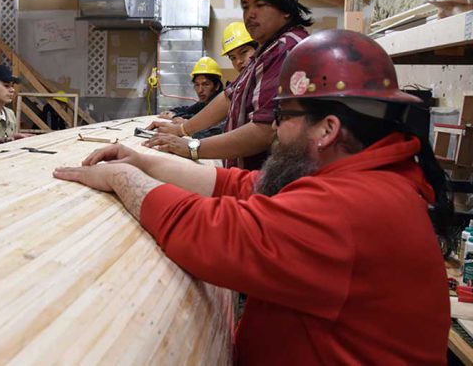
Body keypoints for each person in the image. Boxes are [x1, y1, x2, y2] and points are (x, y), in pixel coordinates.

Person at [54, 30, 451, 364]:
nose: (274, 131)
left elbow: (210, 233)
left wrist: (123, 179)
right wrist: (143, 161)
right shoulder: (363, 177)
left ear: (327, 129)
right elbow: (242, 186)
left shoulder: (350, 209)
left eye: (283, 118)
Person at [146, 0, 312, 169]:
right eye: (245, 6)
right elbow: (228, 97)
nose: (250, 14)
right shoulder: (266, 50)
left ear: (286, 9)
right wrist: (182, 130)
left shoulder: (286, 50)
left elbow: (264, 131)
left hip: (266, 182)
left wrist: (191, 147)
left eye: (260, 5)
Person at [159, 56, 224, 121]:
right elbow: (188, 110)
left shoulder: (222, 104)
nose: (200, 90)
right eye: (197, 85)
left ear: (217, 86)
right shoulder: (203, 103)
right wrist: (170, 112)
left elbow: (203, 119)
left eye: (205, 84)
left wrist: (175, 117)